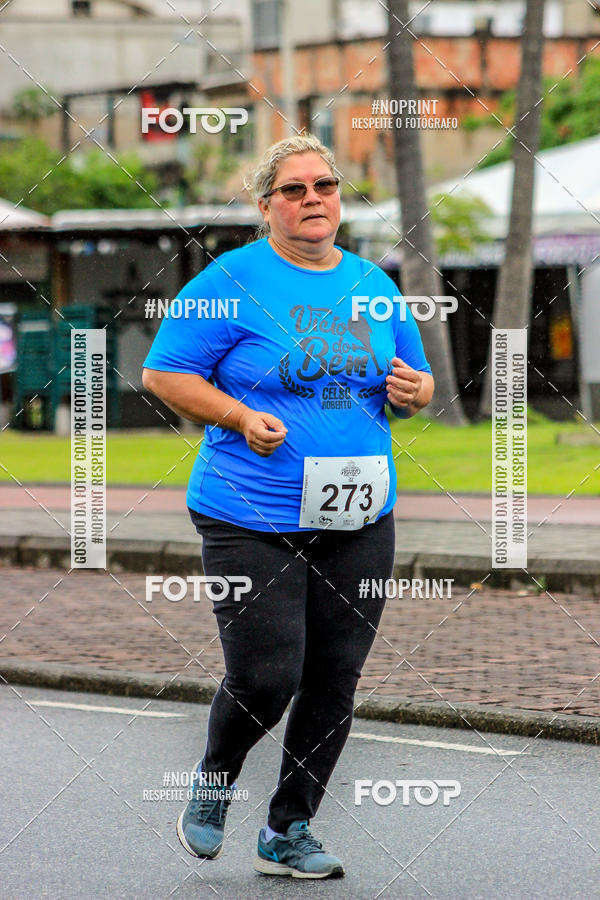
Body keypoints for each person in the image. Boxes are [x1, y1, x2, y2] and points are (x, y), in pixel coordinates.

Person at [142, 134, 434, 880]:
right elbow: (165, 373)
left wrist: (415, 392)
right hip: (250, 511)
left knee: (335, 676)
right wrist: (239, 416)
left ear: (340, 198)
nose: (313, 200)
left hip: (359, 514)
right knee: (269, 673)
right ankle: (213, 779)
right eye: (294, 189)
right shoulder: (229, 279)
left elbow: (418, 378)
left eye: (325, 186)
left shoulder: (373, 282)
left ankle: (289, 828)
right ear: (265, 204)